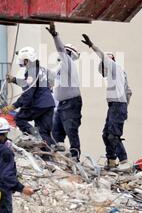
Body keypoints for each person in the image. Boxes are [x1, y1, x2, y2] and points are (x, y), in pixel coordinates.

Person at [81, 34, 131, 169]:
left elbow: (103, 56)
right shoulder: (117, 75)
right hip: (115, 105)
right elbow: (129, 92)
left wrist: (92, 46)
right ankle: (111, 160)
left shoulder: (115, 67)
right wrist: (125, 107)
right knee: (106, 135)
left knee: (113, 135)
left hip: (118, 105)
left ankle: (124, 160)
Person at [2, 47, 55, 148]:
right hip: (48, 104)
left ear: (26, 60)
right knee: (44, 131)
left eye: (23, 61)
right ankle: (48, 153)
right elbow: (31, 84)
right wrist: (14, 80)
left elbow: (28, 93)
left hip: (39, 104)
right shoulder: (40, 69)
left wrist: (14, 106)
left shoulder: (31, 71)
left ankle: (37, 138)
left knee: (19, 118)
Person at [46, 23, 82, 161]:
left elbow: (60, 49)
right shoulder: (61, 66)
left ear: (69, 54)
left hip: (71, 103)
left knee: (71, 130)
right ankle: (59, 154)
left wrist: (55, 36)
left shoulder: (69, 63)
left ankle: (75, 156)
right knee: (56, 131)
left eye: (66, 52)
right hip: (62, 104)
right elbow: (50, 74)